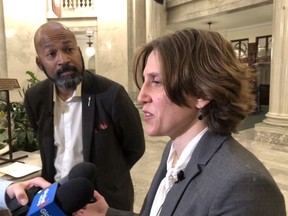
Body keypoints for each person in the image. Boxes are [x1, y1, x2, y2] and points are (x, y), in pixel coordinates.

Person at [74, 28, 286, 216]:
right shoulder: (174, 150)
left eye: (156, 82)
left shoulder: (245, 188)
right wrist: (107, 213)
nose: (141, 96)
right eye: (145, 81)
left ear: (202, 93)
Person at [24, 21, 145, 211]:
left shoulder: (111, 94)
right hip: (57, 199)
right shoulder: (35, 98)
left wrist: (111, 178)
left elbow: (135, 147)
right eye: (51, 54)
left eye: (69, 49)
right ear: (40, 63)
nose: (63, 59)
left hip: (105, 201)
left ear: (79, 52)